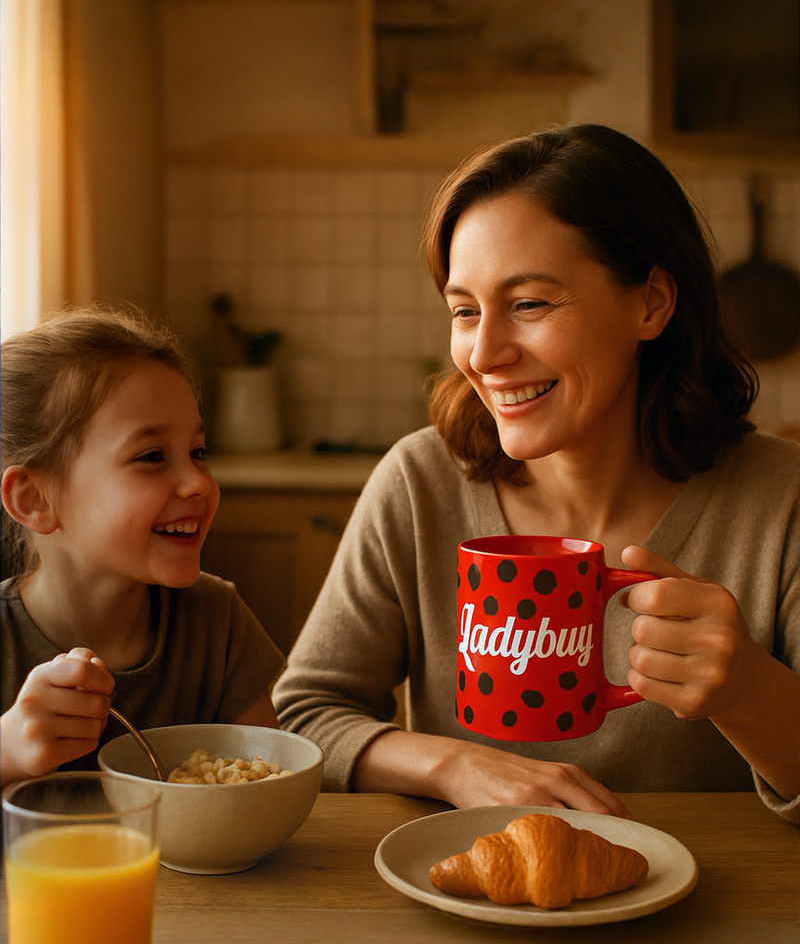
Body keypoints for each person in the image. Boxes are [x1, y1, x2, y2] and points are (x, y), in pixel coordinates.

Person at [273, 123, 799, 825]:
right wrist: (452, 763)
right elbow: (306, 719)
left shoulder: (782, 499)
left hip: (715, 918)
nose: (484, 353)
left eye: (528, 304)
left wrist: (750, 694)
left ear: (651, 303)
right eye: (465, 311)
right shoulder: (418, 484)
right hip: (461, 903)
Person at [1, 306, 283, 789]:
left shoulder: (219, 622)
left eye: (198, 452)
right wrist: (6, 751)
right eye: (151, 456)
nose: (197, 482)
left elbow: (271, 785)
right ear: (35, 499)